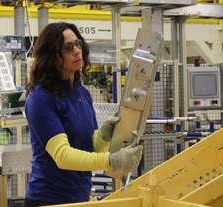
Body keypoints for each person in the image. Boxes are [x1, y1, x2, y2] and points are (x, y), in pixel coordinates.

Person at [24, 22, 143, 206]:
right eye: (67, 48)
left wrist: (102, 137)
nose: (77, 51)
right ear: (52, 57)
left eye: (78, 44)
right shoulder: (41, 98)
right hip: (48, 199)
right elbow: (63, 156)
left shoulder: (82, 93)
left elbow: (89, 148)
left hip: (80, 197)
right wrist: (111, 161)